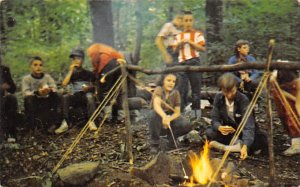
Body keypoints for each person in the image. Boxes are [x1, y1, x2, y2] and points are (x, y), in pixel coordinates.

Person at [206, 73, 267, 160]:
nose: (229, 95)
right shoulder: (218, 97)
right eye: (226, 92)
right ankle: (235, 146)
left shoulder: (243, 99)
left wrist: (246, 145)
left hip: (242, 131)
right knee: (210, 132)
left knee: (260, 139)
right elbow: (214, 119)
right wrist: (219, 127)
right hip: (230, 131)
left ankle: (229, 147)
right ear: (222, 90)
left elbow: (248, 124)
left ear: (236, 87)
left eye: (232, 91)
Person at [55, 48, 97, 134]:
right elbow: (64, 84)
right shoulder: (72, 73)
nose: (76, 61)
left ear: (82, 60)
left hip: (85, 95)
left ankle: (91, 121)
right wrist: (71, 71)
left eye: (78, 58)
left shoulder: (88, 73)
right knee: (65, 97)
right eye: (74, 59)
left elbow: (94, 86)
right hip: (75, 96)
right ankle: (65, 122)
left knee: (89, 96)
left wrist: (89, 87)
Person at [149, 73, 192, 154]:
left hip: (169, 116)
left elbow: (177, 112)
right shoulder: (159, 89)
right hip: (158, 114)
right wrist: (164, 117)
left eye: (173, 81)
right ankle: (154, 144)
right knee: (153, 115)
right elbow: (156, 106)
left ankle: (171, 141)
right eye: (168, 80)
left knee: (186, 125)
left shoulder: (176, 93)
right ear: (162, 81)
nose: (171, 83)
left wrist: (169, 118)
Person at [173, 10, 206, 117]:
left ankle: (196, 115)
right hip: (182, 63)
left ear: (193, 21)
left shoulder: (197, 34)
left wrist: (190, 42)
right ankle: (180, 114)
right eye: (186, 20)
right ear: (182, 22)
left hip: (194, 62)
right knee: (181, 88)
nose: (188, 22)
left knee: (196, 89)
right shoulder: (178, 36)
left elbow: (202, 48)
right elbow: (175, 51)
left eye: (190, 20)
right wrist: (179, 44)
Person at [87, 43, 125, 123]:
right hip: (118, 65)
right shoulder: (105, 48)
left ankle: (108, 117)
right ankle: (121, 116)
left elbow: (96, 61)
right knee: (118, 90)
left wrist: (96, 74)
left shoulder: (94, 50)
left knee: (105, 91)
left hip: (108, 66)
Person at [22, 56, 60, 132]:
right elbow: (25, 92)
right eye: (35, 65)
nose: (38, 67)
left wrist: (49, 90)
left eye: (40, 65)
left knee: (57, 95)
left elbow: (54, 87)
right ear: (31, 66)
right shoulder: (27, 79)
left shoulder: (47, 77)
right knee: (28, 99)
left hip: (46, 99)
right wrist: (37, 92)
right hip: (35, 100)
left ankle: (55, 123)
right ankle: (32, 126)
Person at [270, 69, 300, 156]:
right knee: (284, 115)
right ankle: (295, 140)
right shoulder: (274, 79)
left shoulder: (298, 82)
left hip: (295, 96)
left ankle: (297, 143)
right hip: (281, 91)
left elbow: (298, 104)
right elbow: (278, 91)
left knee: (292, 115)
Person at [0, 57, 18, 143]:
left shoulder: (4, 70)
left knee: (11, 99)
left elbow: (13, 88)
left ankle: (11, 132)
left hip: (2, 98)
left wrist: (8, 86)